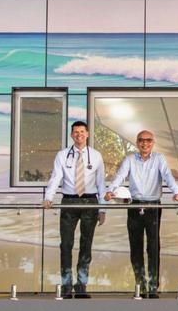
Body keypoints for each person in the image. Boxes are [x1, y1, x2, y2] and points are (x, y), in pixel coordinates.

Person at [104, 130, 178, 299]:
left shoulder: (159, 159)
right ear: (137, 143)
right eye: (141, 140)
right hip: (134, 206)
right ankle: (140, 284)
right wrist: (110, 191)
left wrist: (176, 192)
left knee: (153, 247)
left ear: (153, 143)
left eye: (148, 140)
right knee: (136, 247)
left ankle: (153, 287)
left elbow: (168, 176)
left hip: (153, 206)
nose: (144, 143)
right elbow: (120, 176)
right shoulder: (130, 159)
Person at [43, 121, 106, 299]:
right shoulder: (63, 155)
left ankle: (81, 285)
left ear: (87, 134)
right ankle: (66, 284)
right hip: (69, 202)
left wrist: (103, 209)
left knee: (86, 245)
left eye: (82, 132)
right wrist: (49, 197)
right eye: (75, 132)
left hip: (90, 202)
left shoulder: (96, 156)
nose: (78, 135)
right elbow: (56, 178)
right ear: (71, 135)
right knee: (66, 244)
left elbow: (101, 183)